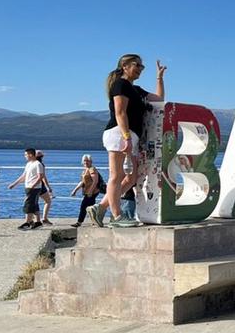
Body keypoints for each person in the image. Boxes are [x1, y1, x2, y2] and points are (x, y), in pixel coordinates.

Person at [94, 54, 165, 228]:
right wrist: (126, 137)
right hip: (119, 133)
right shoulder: (120, 85)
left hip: (131, 136)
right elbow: (120, 113)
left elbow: (160, 99)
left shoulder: (136, 89)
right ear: (125, 66)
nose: (140, 69)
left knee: (131, 178)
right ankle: (117, 217)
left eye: (142, 67)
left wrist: (159, 78)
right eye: (137, 65)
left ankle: (100, 207)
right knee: (117, 176)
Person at [7, 147, 46, 230]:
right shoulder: (28, 164)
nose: (25, 156)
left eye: (26, 155)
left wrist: (33, 185)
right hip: (28, 186)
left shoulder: (38, 164)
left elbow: (40, 176)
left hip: (34, 188)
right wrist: (14, 184)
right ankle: (38, 222)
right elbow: (23, 176)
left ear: (31, 155)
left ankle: (27, 222)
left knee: (28, 204)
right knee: (34, 204)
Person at [69, 155, 105, 227]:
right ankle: (95, 221)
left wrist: (90, 191)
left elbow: (95, 181)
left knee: (83, 206)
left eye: (87, 160)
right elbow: (82, 182)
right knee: (91, 207)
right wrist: (75, 190)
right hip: (88, 191)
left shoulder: (92, 169)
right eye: (84, 160)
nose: (86, 162)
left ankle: (79, 222)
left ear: (91, 161)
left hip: (92, 192)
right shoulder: (85, 170)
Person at [35, 150, 54, 225]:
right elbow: (43, 177)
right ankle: (44, 218)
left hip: (32, 185)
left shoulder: (31, 164)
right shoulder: (40, 164)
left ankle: (35, 219)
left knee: (34, 202)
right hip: (40, 186)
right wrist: (48, 187)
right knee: (48, 201)